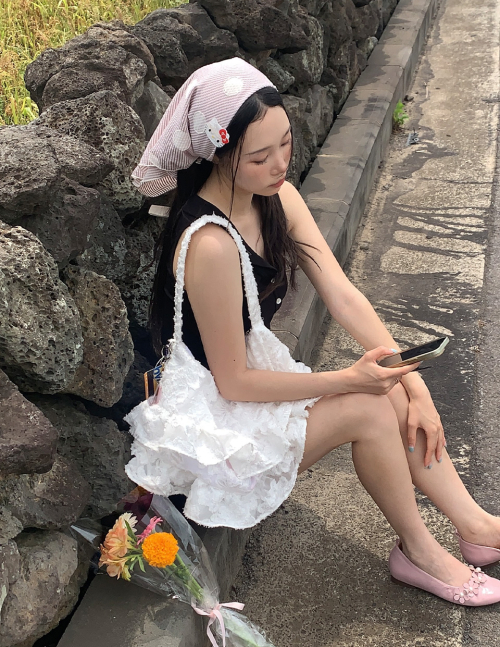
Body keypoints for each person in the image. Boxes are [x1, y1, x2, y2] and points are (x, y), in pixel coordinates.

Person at [128, 57, 500, 607]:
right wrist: (348, 379)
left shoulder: (274, 196)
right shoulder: (210, 242)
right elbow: (233, 382)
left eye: (286, 143)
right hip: (214, 426)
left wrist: (415, 384)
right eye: (260, 156)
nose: (280, 164)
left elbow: (342, 294)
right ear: (219, 153)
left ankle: (478, 528)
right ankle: (419, 553)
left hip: (249, 390)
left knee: (394, 389)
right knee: (367, 405)